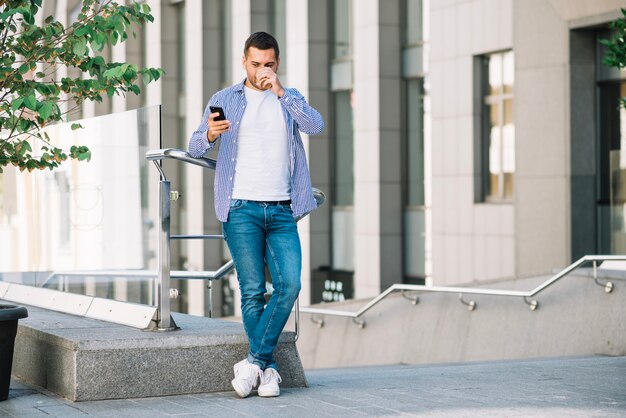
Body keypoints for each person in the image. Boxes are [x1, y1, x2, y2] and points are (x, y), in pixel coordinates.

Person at [188, 31, 324, 398]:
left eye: (269, 64)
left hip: (282, 209)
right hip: (240, 207)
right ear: (244, 62)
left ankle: (252, 363)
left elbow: (315, 126)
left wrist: (281, 92)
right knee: (251, 291)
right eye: (255, 63)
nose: (262, 69)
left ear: (276, 63)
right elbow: (194, 144)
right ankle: (268, 370)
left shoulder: (289, 98)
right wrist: (211, 136)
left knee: (289, 285)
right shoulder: (224, 99)